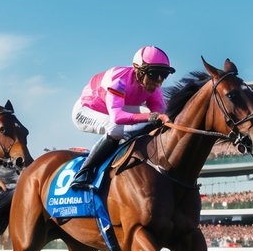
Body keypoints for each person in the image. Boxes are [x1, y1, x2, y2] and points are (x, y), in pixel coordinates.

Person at [69, 45, 175, 190]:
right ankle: (84, 173)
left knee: (152, 121)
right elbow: (118, 117)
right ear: (138, 70)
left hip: (114, 109)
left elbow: (161, 115)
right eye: (153, 74)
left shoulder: (154, 88)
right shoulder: (119, 79)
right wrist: (152, 116)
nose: (158, 81)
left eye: (163, 75)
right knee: (116, 128)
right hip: (86, 110)